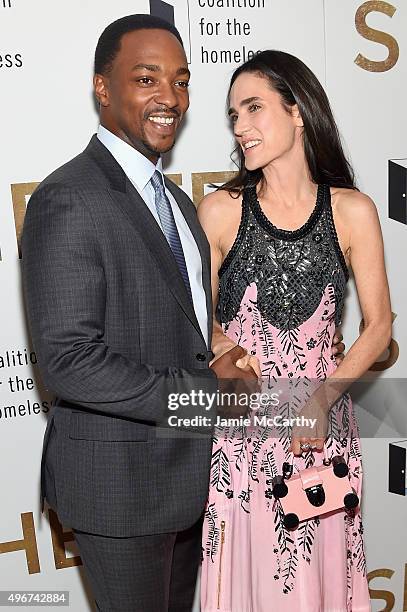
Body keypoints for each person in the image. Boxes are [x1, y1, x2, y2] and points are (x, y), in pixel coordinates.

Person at [21, 14, 257, 612]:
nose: (170, 98)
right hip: (120, 487)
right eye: (147, 78)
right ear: (103, 88)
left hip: (186, 479)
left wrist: (223, 354)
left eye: (181, 81)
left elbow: (185, 329)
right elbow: (70, 363)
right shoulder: (69, 197)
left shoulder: (175, 200)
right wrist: (208, 395)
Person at [199, 50, 391, 611]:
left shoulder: (353, 211)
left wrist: (324, 398)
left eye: (254, 108)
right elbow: (195, 318)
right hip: (245, 438)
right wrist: (225, 348)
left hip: (319, 433)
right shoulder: (220, 211)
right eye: (233, 114)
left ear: (298, 110)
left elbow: (378, 327)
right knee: (250, 583)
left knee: (316, 588)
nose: (240, 126)